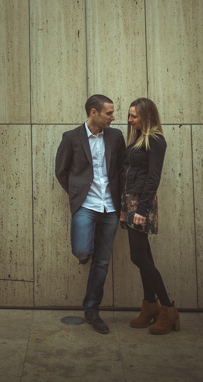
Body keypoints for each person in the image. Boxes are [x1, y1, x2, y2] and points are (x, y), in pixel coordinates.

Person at [54, 94, 126, 334]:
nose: (113, 117)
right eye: (109, 113)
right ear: (93, 113)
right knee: (83, 250)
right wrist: (76, 195)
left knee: (103, 262)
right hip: (86, 205)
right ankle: (86, 252)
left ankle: (92, 309)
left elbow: (122, 168)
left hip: (110, 207)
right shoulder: (71, 137)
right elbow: (61, 171)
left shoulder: (115, 137)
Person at [120, 97, 179, 335]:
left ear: (147, 116)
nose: (130, 119)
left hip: (140, 203)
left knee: (138, 257)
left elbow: (154, 177)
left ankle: (167, 307)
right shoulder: (136, 140)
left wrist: (142, 210)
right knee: (145, 257)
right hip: (129, 201)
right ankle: (149, 306)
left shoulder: (155, 140)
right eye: (129, 115)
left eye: (134, 115)